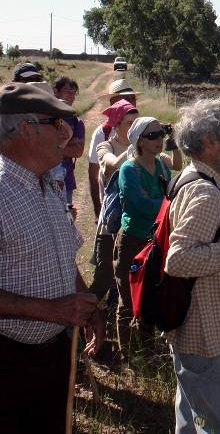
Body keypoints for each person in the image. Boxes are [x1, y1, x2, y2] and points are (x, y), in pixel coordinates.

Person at [0, 83, 105, 434]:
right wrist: (54, 311)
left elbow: (64, 258)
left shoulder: (47, 186)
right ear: (25, 130)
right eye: (56, 123)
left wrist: (86, 305)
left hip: (50, 355)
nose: (66, 133)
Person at [166, 99, 220, 434]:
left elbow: (196, 239)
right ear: (209, 141)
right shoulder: (205, 193)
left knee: (191, 420)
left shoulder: (188, 179)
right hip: (210, 334)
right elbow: (179, 259)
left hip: (191, 327)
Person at [113, 117, 181, 363]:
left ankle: (148, 352)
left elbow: (165, 199)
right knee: (128, 300)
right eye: (152, 136)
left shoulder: (162, 166)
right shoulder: (129, 169)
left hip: (153, 240)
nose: (158, 140)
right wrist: (163, 204)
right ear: (139, 141)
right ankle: (128, 356)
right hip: (132, 240)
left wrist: (160, 203)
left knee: (149, 296)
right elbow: (142, 206)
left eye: (160, 134)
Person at [89, 100, 138, 304]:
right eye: (129, 124)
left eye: (137, 123)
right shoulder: (105, 146)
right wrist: (137, 146)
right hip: (112, 220)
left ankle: (117, 317)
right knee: (104, 275)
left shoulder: (141, 148)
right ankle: (82, 319)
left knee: (129, 275)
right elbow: (111, 166)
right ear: (116, 125)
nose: (134, 128)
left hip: (134, 220)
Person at [87, 79, 141, 218]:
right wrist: (98, 211)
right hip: (114, 204)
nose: (130, 102)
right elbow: (94, 173)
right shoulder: (103, 133)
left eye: (132, 98)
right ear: (113, 103)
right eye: (125, 98)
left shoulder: (143, 128)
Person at [52, 77, 85, 209]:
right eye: (67, 91)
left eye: (73, 93)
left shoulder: (77, 122)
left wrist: (54, 145)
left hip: (67, 180)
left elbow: (78, 151)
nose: (71, 96)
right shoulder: (46, 118)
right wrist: (69, 143)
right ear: (55, 91)